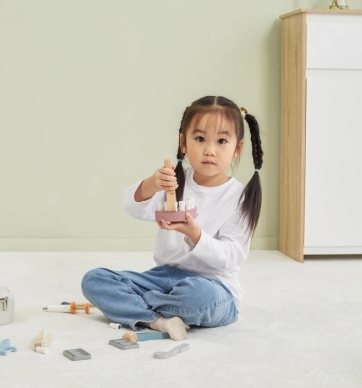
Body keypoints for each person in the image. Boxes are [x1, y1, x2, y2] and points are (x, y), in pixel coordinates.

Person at [81, 95, 263, 340]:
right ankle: (158, 321)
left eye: (221, 141)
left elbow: (230, 257)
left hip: (212, 285)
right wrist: (150, 184)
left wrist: (194, 234)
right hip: (162, 277)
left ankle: (136, 305)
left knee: (198, 298)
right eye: (200, 139)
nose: (209, 150)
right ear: (183, 142)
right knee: (94, 280)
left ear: (237, 149)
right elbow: (131, 206)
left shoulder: (240, 196)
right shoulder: (173, 182)